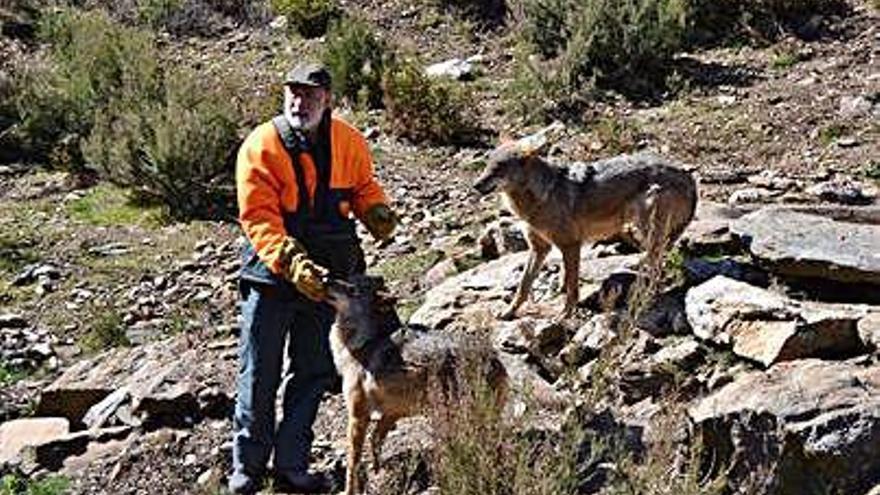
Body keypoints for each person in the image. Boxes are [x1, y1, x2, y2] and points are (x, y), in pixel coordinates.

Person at [229, 62, 398, 494]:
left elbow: (362, 186)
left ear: (327, 100)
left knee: (312, 372)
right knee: (259, 372)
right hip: (271, 277)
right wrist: (291, 261)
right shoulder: (261, 145)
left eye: (308, 95)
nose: (298, 102)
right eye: (292, 93)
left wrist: (374, 209)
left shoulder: (349, 141)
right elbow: (259, 217)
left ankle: (292, 465)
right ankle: (247, 470)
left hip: (330, 281)